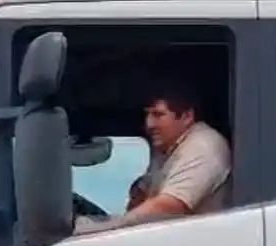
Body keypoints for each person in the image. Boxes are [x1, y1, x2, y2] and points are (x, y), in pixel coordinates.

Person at [75, 79, 231, 234]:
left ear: (187, 116)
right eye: (147, 115)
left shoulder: (202, 146)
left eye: (158, 115)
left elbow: (169, 206)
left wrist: (109, 227)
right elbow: (142, 196)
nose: (149, 124)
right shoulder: (167, 148)